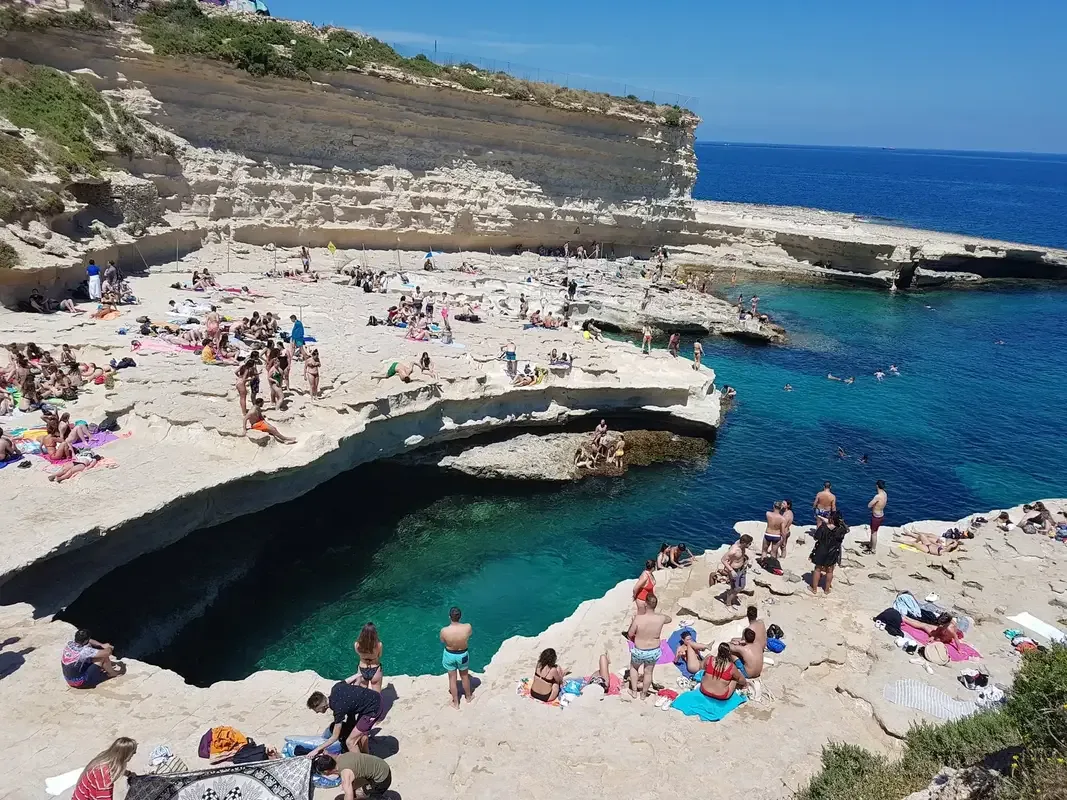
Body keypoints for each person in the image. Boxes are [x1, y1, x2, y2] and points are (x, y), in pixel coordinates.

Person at [306, 679, 385, 755]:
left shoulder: (338, 710)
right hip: (375, 697)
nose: (316, 712)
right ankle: (366, 755)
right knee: (360, 733)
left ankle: (362, 762)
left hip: (374, 709)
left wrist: (316, 750)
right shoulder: (336, 687)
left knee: (350, 742)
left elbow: (334, 737)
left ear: (322, 706)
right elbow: (353, 678)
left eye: (316, 710)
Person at [626, 593, 671, 699]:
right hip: (653, 651)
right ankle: (643, 694)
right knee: (648, 672)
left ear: (645, 604)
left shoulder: (638, 618)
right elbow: (669, 619)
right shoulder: (660, 618)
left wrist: (633, 622)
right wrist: (659, 615)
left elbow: (630, 634)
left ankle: (634, 692)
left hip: (640, 650)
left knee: (634, 668)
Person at [71, 737, 137, 800]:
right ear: (125, 754)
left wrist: (128, 773)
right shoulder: (104, 776)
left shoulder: (106, 759)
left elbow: (116, 767)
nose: (134, 753)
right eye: (133, 753)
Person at [311, 752, 392, 799]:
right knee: (355, 792)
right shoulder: (340, 757)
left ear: (326, 771)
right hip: (380, 766)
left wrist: (349, 792)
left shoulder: (346, 775)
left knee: (365, 795)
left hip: (382, 778)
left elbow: (349, 797)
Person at [61, 629, 125, 688]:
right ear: (85, 640)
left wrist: (101, 645)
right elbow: (107, 653)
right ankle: (112, 673)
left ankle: (103, 667)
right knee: (103, 657)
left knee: (90, 650)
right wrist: (108, 647)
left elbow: (89, 641)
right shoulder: (85, 651)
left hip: (69, 679)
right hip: (80, 682)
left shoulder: (70, 643)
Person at [441, 606, 473, 708]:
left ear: (449, 617)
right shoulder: (467, 627)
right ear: (460, 616)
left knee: (452, 679)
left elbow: (442, 641)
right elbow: (469, 635)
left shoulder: (444, 631)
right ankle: (468, 697)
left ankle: (456, 703)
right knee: (464, 676)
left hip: (450, 655)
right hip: (462, 655)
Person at [810, 510, 848, 594]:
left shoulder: (823, 527)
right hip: (833, 551)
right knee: (830, 571)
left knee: (817, 569)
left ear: (831, 518)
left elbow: (816, 537)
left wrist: (826, 522)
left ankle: (814, 589)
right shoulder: (841, 529)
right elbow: (847, 529)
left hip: (821, 550)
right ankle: (826, 590)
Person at [713, 535, 752, 607]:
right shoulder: (734, 550)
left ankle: (731, 595)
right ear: (744, 543)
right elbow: (723, 560)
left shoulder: (741, 544)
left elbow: (741, 555)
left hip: (742, 569)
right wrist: (731, 571)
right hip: (734, 571)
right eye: (749, 543)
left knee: (742, 586)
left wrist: (746, 561)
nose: (750, 545)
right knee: (735, 588)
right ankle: (728, 602)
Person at [353, 623, 383, 693]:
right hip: (375, 668)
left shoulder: (357, 644)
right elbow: (379, 655)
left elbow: (358, 653)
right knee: (376, 694)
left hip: (362, 668)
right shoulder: (379, 645)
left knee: (362, 694)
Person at [867, 480, 887, 553]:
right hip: (881, 515)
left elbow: (869, 505)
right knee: (873, 531)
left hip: (876, 517)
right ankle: (870, 544)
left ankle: (873, 549)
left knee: (874, 533)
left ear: (877, 486)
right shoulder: (885, 494)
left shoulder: (877, 496)